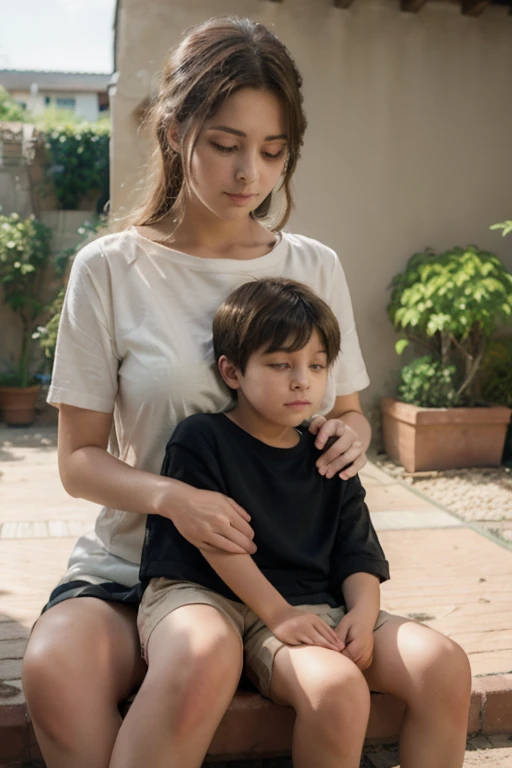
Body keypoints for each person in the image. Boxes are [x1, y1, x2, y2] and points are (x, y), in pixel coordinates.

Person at [20, 15, 470, 768]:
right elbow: (79, 462)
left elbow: (350, 416)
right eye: (226, 146)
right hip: (137, 566)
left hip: (293, 571)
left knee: (424, 666)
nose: (248, 175)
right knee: (52, 671)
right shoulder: (110, 268)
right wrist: (176, 499)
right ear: (176, 131)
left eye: (271, 152)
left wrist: (351, 436)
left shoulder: (313, 264)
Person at [112, 277, 469, 768]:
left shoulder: (329, 447)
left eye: (317, 365)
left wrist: (362, 619)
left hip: (312, 606)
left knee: (444, 664)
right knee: (337, 686)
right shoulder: (202, 439)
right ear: (232, 371)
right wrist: (280, 615)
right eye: (281, 365)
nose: (303, 380)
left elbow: (357, 551)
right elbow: (218, 542)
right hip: (212, 595)